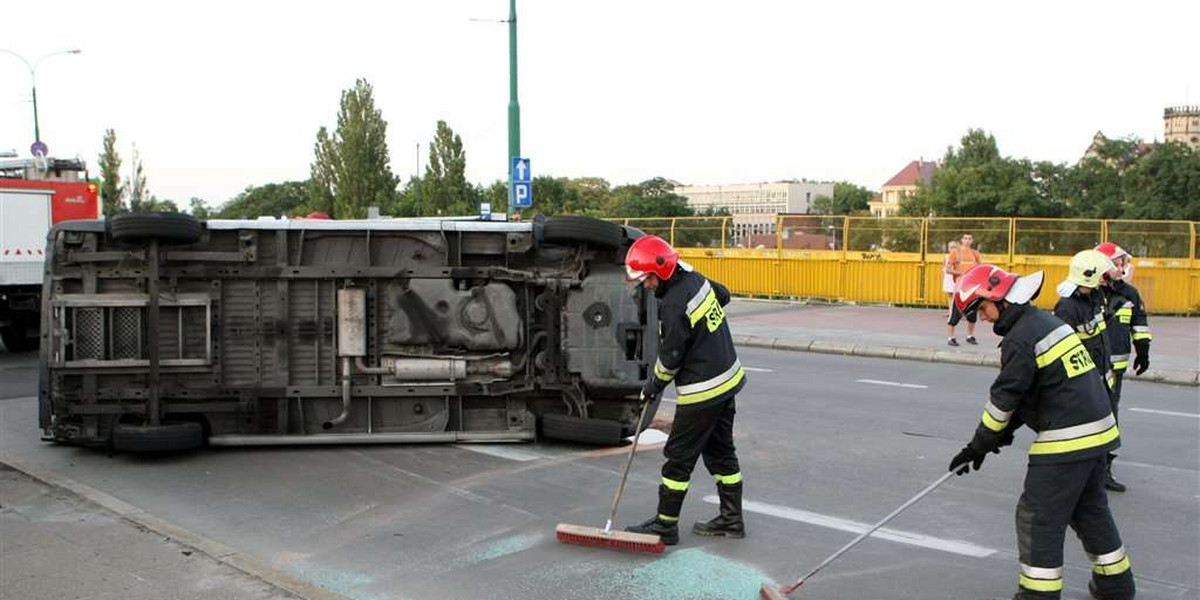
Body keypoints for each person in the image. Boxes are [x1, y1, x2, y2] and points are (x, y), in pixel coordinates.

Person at [949, 264, 1134, 600]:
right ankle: (1116, 586)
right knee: (1090, 511)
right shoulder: (1045, 322)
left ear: (998, 299)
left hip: (1068, 438)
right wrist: (999, 437)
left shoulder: (1019, 339)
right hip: (1098, 433)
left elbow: (1004, 400)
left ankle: (1038, 595)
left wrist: (980, 444)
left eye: (981, 310)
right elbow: (1038, 391)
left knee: (1038, 518)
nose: (984, 318)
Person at [622, 234, 746, 545]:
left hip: (703, 390)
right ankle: (732, 520)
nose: (646, 286)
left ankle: (665, 525)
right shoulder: (695, 277)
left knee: (678, 457)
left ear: (661, 271)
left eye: (647, 279)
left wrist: (652, 385)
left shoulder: (673, 305)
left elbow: (671, 357)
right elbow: (725, 294)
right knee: (720, 452)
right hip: (728, 380)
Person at [1094, 242, 1152, 493]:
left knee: (1109, 417)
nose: (1123, 267)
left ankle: (1104, 468)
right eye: (1118, 263)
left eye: (1123, 263)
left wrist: (1143, 352)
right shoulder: (1087, 292)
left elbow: (1139, 324)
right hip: (1088, 368)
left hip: (1115, 369)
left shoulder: (1130, 294)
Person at [1054, 250, 1117, 394]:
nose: (1104, 278)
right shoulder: (1067, 307)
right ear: (1090, 275)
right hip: (1085, 387)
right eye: (1102, 274)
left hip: (1103, 382)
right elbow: (1064, 350)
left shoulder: (1095, 298)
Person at [946, 233, 983, 346]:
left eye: (969, 238)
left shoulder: (975, 254)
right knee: (955, 314)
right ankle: (951, 338)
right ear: (961, 240)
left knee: (972, 314)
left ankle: (970, 336)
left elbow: (980, 269)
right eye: (965, 238)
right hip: (960, 288)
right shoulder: (955, 253)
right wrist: (962, 273)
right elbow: (948, 270)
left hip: (972, 289)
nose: (967, 240)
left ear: (972, 241)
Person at [943, 240, 961, 316]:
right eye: (951, 247)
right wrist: (943, 276)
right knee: (950, 295)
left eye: (954, 247)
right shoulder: (946, 256)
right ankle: (950, 311)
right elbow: (944, 266)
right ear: (948, 249)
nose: (952, 249)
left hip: (955, 277)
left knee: (956, 295)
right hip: (948, 277)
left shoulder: (958, 257)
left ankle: (957, 312)